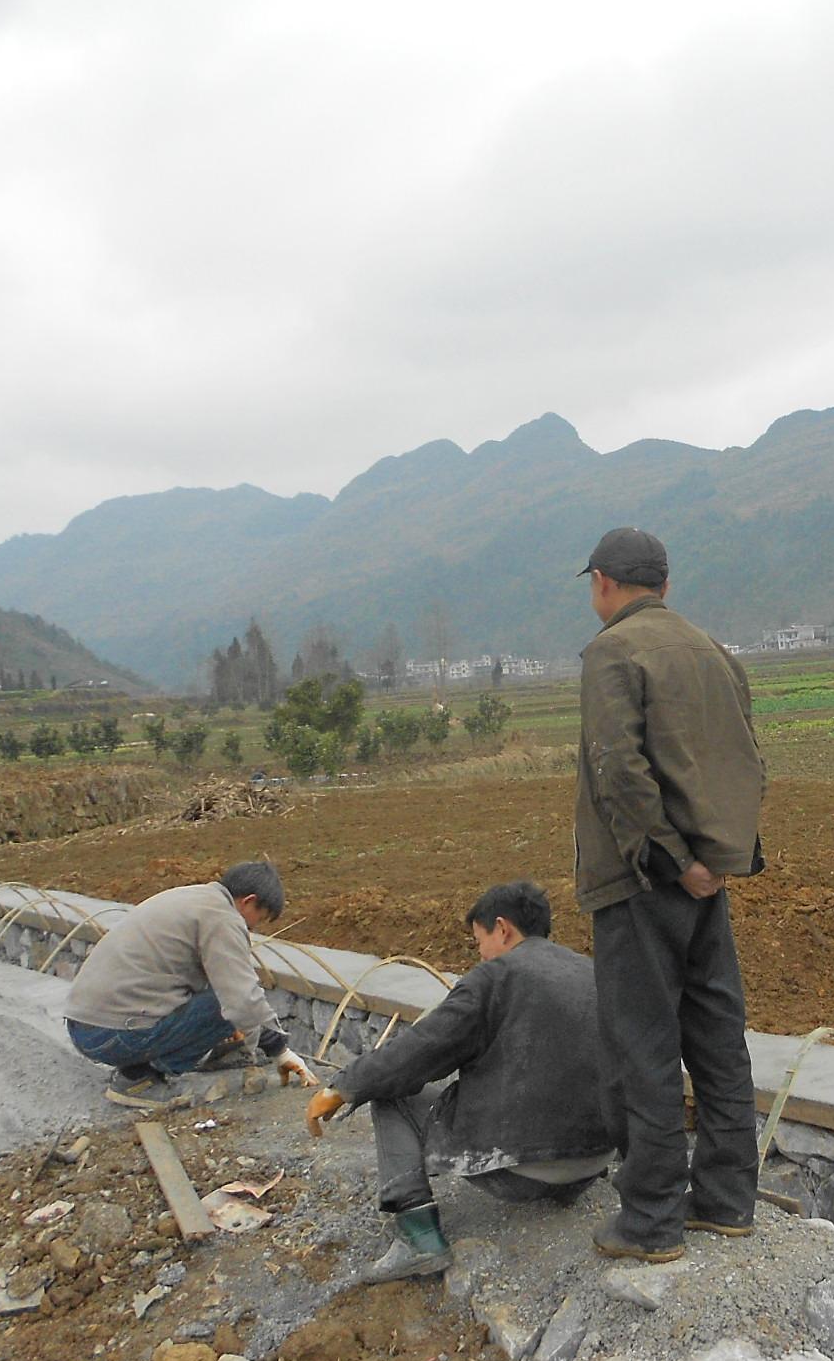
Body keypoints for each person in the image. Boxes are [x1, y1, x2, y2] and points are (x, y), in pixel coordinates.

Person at [574, 527, 766, 1264]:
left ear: (603, 583)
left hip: (641, 881)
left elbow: (617, 771)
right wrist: (718, 860)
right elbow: (747, 757)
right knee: (718, 1036)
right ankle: (726, 1202)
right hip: (709, 881)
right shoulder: (712, 650)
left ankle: (652, 1219)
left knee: (644, 1045)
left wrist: (670, 859)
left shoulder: (611, 654)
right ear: (666, 585)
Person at [304, 881, 612, 1282]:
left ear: (502, 929)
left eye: (479, 940)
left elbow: (422, 1049)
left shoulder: (495, 977)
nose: (480, 954)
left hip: (523, 1171)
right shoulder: (593, 972)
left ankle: (419, 1239)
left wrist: (343, 1087)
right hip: (594, 1161)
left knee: (391, 1095)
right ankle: (562, 1188)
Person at [64, 859, 317, 1100]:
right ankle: (137, 1079)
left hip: (85, 1025)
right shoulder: (223, 918)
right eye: (259, 919)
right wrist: (280, 1050)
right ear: (248, 901)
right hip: (110, 1036)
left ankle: (201, 1055)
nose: (254, 928)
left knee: (222, 996)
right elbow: (240, 999)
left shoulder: (194, 898)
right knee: (224, 1005)